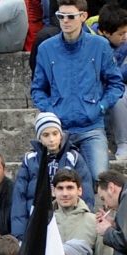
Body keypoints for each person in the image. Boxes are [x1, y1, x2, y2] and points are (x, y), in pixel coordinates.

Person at [35, 0, 125, 182]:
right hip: (59, 129)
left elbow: (116, 83)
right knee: (57, 184)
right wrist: (51, 112)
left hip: (91, 128)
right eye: (61, 16)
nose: (65, 21)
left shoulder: (100, 45)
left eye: (70, 16)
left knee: (100, 180)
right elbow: (38, 89)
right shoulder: (46, 48)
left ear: (83, 16)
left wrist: (100, 107)